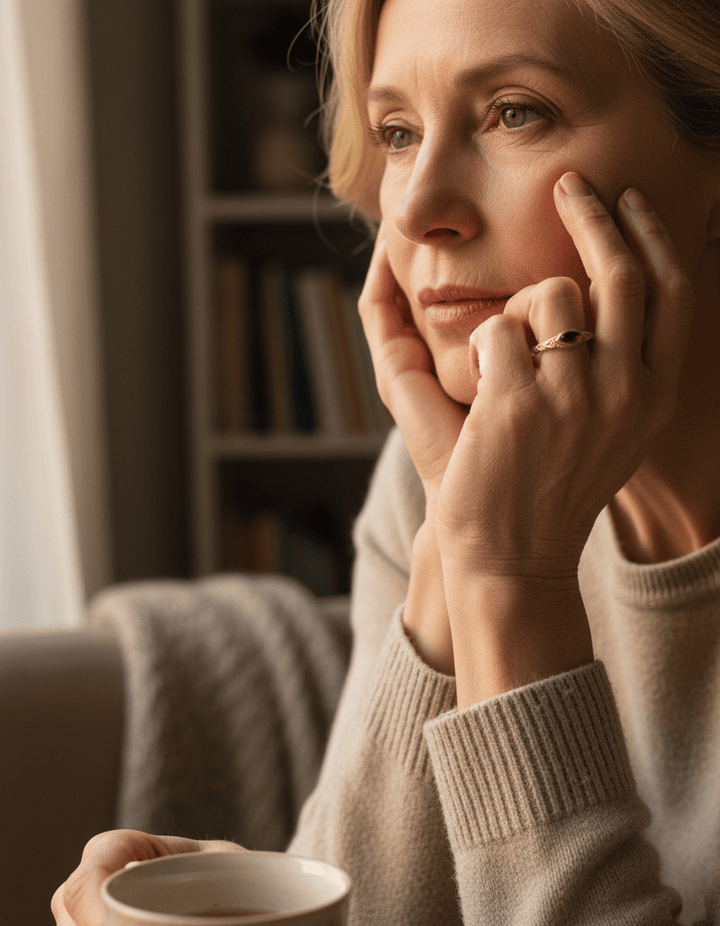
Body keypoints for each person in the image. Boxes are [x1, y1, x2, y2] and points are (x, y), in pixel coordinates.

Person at [53, 0, 720, 922]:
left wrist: (509, 578)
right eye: (398, 132)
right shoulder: (428, 480)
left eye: (515, 112)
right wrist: (452, 543)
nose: (412, 207)